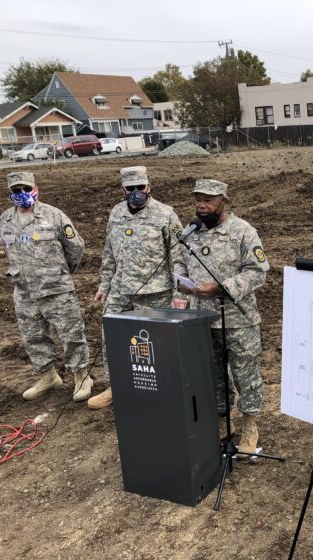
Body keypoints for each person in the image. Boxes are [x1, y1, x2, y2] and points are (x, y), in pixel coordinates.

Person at [173, 178, 269, 456]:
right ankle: (222, 420)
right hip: (201, 320)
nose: (201, 206)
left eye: (208, 200)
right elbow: (178, 261)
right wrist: (182, 281)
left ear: (224, 201)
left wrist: (220, 288)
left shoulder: (243, 232)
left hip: (238, 321)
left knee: (245, 374)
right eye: (198, 200)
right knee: (212, 375)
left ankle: (250, 423)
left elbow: (257, 272)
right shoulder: (189, 231)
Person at [88, 166, 183, 409]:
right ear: (123, 189)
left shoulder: (166, 214)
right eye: (130, 188)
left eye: (140, 187)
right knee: (112, 340)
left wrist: (179, 292)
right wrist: (105, 284)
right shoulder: (116, 213)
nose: (136, 192)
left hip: (155, 292)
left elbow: (179, 256)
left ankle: (160, 388)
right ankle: (116, 387)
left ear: (149, 186)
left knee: (156, 346)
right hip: (120, 291)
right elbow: (109, 252)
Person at [0, 171, 93, 401]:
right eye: (16, 191)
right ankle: (48, 375)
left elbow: (75, 248)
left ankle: (82, 376)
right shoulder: (5, 219)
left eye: (25, 189)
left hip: (56, 288)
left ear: (35, 188)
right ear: (10, 193)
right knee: (33, 336)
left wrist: (60, 273)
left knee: (70, 334)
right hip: (24, 290)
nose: (21, 194)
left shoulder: (53, 215)